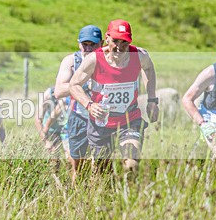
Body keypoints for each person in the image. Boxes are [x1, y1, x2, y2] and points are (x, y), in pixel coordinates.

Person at [69, 20, 159, 172]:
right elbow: (74, 85)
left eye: (124, 43)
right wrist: (89, 105)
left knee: (132, 164)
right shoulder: (94, 59)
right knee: (101, 173)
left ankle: (131, 193)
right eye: (115, 41)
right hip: (101, 123)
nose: (118, 47)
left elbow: (149, 69)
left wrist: (152, 100)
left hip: (129, 119)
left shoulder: (139, 55)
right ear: (107, 38)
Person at [53, 25, 102, 181]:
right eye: (84, 44)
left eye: (92, 44)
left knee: (101, 165)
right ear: (78, 43)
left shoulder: (108, 59)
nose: (88, 48)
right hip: (79, 117)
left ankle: (100, 197)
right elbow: (59, 90)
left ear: (101, 43)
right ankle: (77, 197)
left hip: (103, 119)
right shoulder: (71, 61)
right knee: (78, 166)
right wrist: (79, 85)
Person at [34, 86, 70, 155]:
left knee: (70, 156)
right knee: (53, 155)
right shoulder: (47, 95)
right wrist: (46, 141)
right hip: (51, 130)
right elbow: (37, 119)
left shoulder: (71, 92)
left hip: (67, 129)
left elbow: (58, 110)